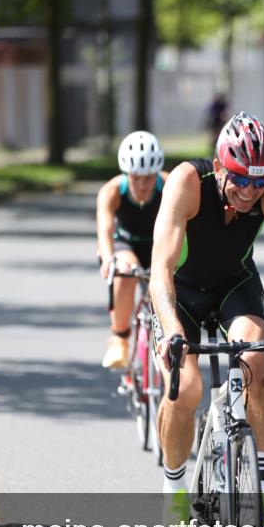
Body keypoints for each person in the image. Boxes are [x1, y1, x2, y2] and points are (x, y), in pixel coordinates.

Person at [149, 112, 264, 527]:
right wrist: (170, 333)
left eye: (258, 182)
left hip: (233, 286)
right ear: (222, 167)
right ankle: (175, 498)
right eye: (241, 179)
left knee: (257, 358)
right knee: (184, 387)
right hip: (180, 292)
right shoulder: (187, 181)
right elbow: (160, 269)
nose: (249, 191)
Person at [97, 131, 168, 369]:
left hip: (160, 243)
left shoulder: (169, 185)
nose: (142, 185)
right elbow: (105, 230)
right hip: (125, 244)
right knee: (126, 270)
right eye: (136, 177)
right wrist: (108, 259)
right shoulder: (112, 191)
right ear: (127, 173)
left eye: (148, 178)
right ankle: (120, 337)